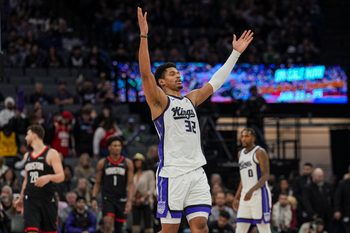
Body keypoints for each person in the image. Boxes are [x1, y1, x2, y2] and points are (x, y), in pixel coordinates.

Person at [137, 6, 254, 233]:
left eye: (178, 72)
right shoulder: (160, 102)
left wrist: (235, 53)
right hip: (172, 173)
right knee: (169, 230)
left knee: (201, 227)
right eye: (172, 73)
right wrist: (144, 35)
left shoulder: (191, 100)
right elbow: (145, 74)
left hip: (196, 171)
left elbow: (215, 82)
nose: (178, 75)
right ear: (161, 82)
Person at [14, 124, 65, 233]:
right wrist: (21, 197)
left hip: (47, 199)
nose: (26, 138)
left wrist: (48, 177)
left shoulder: (51, 153)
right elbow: (26, 179)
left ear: (34, 135)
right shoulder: (27, 156)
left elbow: (61, 176)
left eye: (27, 134)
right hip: (30, 199)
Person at [92, 136, 134, 233]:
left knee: (120, 229)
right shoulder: (102, 163)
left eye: (119, 146)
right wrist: (93, 198)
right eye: (114, 145)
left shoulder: (128, 163)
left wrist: (130, 201)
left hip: (121, 198)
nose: (117, 148)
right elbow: (97, 183)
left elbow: (131, 184)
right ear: (109, 147)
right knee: (107, 224)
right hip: (108, 198)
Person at [233, 128, 272, 233]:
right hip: (245, 194)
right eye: (242, 136)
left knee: (263, 227)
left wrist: (251, 190)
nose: (243, 139)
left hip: (259, 194)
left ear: (253, 138)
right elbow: (243, 178)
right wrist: (237, 196)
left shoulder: (260, 152)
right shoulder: (240, 154)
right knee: (240, 227)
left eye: (247, 136)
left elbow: (266, 175)